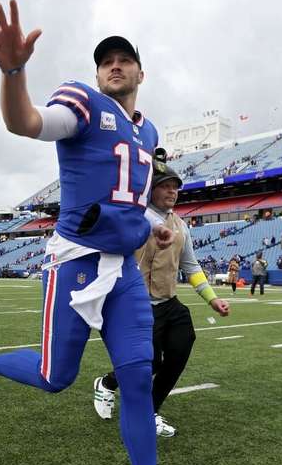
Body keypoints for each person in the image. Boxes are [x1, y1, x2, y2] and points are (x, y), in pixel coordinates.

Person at [0, 0, 212, 465]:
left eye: (124, 60)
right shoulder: (83, 102)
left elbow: (133, 198)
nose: (114, 66)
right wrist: (13, 72)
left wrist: (154, 227)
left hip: (122, 273)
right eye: (106, 61)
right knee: (56, 377)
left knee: (139, 379)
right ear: (98, 73)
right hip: (74, 263)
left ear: (142, 71)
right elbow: (25, 122)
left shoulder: (148, 132)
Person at [92, 159, 230, 437]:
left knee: (181, 348)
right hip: (137, 304)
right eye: (164, 186)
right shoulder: (134, 216)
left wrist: (212, 299)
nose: (172, 192)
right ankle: (107, 383)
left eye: (175, 187)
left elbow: (190, 266)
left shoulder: (181, 225)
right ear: (150, 190)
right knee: (150, 361)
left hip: (169, 302)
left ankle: (150, 410)